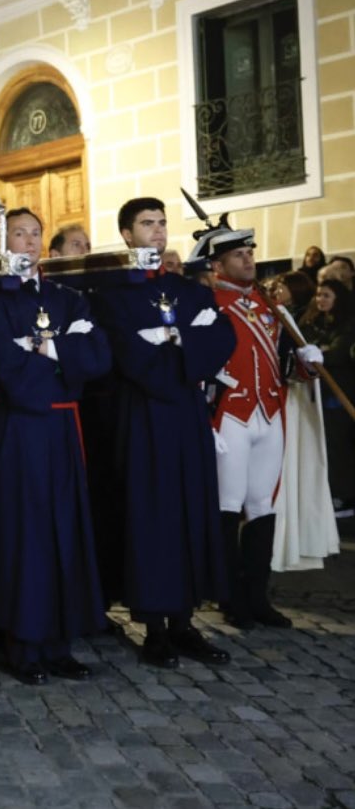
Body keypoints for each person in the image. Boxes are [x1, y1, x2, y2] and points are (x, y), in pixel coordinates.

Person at [90, 198, 236, 668]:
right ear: (128, 234)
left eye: (162, 223)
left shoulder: (190, 290)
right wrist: (180, 345)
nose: (157, 231)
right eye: (146, 224)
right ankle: (153, 627)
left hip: (187, 417)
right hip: (144, 416)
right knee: (152, 515)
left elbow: (221, 338)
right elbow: (129, 356)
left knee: (191, 511)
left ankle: (186, 623)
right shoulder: (113, 294)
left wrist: (169, 342)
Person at [0, 208, 110, 683]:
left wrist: (41, 347)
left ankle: (60, 641)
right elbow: (6, 369)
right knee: (23, 533)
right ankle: (22, 643)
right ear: (1, 243)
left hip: (62, 429)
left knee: (65, 530)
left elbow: (97, 357)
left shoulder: (66, 298)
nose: (27, 242)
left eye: (34, 234)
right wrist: (60, 355)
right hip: (18, 428)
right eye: (18, 234)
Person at [199, 225, 322, 629]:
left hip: (269, 412)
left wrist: (304, 359)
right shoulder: (209, 302)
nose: (248, 259)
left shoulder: (268, 304)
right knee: (228, 507)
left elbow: (285, 361)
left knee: (263, 508)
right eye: (238, 255)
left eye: (250, 253)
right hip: (229, 414)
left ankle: (257, 597)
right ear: (217, 264)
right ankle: (229, 597)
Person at [300, 279, 355, 515]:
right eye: (318, 295)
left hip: (339, 389)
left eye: (326, 295)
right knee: (324, 442)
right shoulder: (312, 320)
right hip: (318, 390)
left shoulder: (347, 323)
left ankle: (345, 496)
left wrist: (321, 352)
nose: (320, 299)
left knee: (338, 442)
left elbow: (336, 353)